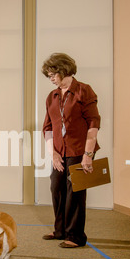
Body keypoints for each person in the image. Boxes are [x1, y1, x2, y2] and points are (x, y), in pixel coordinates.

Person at [42, 53, 100, 248]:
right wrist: (53, 153)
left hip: (79, 150)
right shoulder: (52, 96)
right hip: (59, 152)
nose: (50, 78)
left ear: (64, 70)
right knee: (56, 188)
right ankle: (60, 230)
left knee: (75, 192)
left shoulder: (84, 90)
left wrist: (88, 155)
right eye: (48, 75)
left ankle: (75, 236)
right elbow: (47, 127)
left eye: (52, 74)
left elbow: (93, 124)